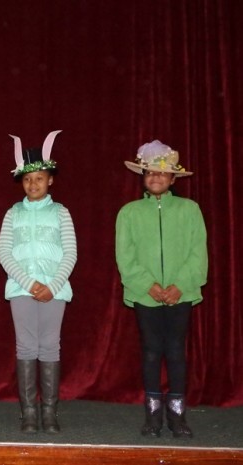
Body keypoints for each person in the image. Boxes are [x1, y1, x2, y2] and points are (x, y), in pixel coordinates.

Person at [116, 140, 207, 439]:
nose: (155, 177)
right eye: (150, 172)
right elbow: (125, 257)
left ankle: (177, 416)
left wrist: (180, 285)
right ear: (143, 176)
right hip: (146, 295)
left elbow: (198, 253)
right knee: (152, 351)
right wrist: (148, 285)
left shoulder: (189, 210)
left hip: (181, 293)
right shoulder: (129, 213)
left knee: (176, 351)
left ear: (173, 178)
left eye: (162, 172)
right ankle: (153, 416)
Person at [0, 131, 77, 434]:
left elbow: (71, 252)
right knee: (26, 346)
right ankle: (28, 411)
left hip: (55, 290)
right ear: (22, 181)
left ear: (50, 181)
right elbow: (4, 252)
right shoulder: (12, 213)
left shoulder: (61, 212)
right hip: (21, 289)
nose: (33, 184)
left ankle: (49, 411)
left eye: (39, 179)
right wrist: (29, 284)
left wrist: (52, 286)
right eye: (28, 180)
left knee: (50, 346)